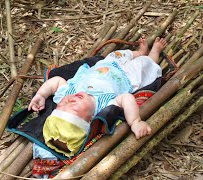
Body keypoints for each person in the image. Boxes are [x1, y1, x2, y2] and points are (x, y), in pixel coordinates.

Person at [28, 37, 167, 157]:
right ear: (89, 119)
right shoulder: (103, 105)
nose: (69, 101)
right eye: (73, 108)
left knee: (118, 54)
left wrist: (41, 94)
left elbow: (56, 81)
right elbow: (126, 98)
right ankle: (154, 53)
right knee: (145, 65)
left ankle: (138, 52)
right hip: (127, 76)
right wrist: (135, 121)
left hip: (107, 64)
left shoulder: (68, 94)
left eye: (61, 106)